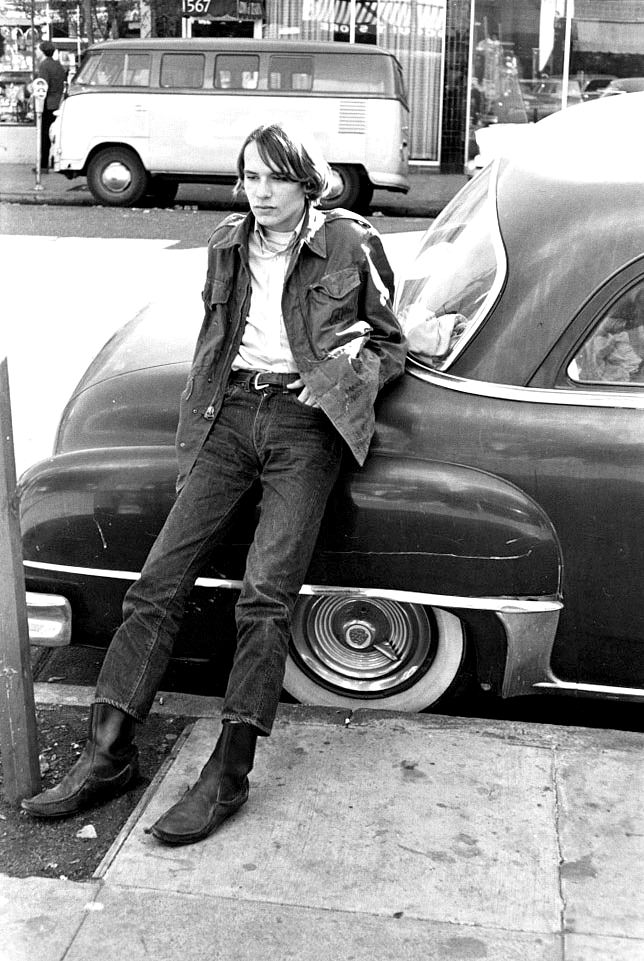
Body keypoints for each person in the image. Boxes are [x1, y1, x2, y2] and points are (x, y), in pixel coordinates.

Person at [21, 123, 407, 846]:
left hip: (304, 423)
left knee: (265, 595)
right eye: (250, 178)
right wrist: (202, 422)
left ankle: (229, 771)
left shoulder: (351, 243)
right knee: (157, 582)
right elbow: (214, 336)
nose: (259, 192)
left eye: (274, 179)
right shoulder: (229, 241)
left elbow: (389, 339)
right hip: (231, 414)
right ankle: (109, 756)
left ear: (304, 183)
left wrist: (342, 386)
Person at [35, 41, 66, 171]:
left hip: (48, 104)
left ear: (42, 51)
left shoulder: (44, 66)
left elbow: (42, 87)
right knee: (54, 134)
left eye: (37, 49)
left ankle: (43, 165)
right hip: (58, 103)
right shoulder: (58, 65)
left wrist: (37, 105)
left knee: (44, 135)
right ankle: (55, 161)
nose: (36, 52)